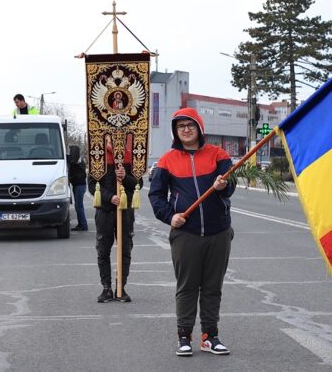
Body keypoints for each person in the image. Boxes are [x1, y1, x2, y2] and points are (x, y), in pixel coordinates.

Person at [148, 107, 234, 357]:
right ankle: (184, 336)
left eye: (190, 125)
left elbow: (230, 188)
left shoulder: (218, 155)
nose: (186, 129)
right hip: (186, 234)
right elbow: (156, 195)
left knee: (212, 287)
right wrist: (169, 216)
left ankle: (210, 336)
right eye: (180, 126)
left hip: (218, 233)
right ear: (176, 131)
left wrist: (222, 185)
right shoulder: (167, 161)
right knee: (187, 287)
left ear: (199, 127)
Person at [88, 161, 140, 303]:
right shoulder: (97, 155)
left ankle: (120, 287)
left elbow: (138, 183)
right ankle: (106, 288)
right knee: (103, 250)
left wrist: (125, 177)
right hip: (105, 211)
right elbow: (92, 185)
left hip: (125, 211)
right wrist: (110, 197)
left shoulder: (131, 156)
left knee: (125, 250)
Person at [67, 145, 88, 231]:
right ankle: (82, 224)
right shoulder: (79, 160)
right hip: (79, 186)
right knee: (78, 206)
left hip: (79, 186)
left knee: (79, 206)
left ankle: (83, 225)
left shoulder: (76, 162)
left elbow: (71, 162)